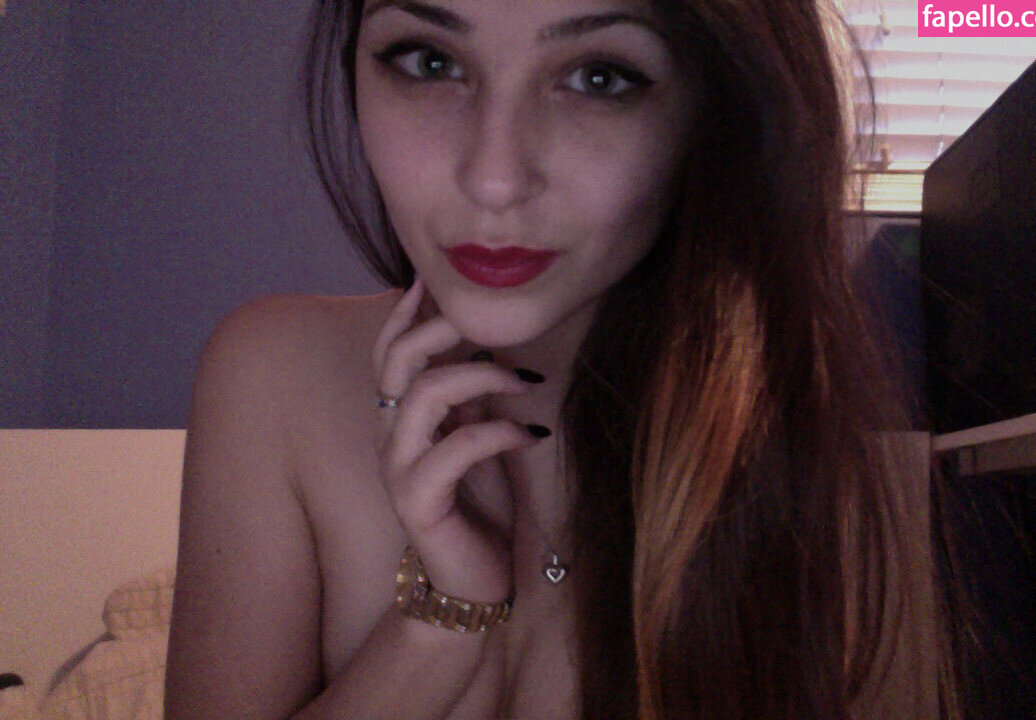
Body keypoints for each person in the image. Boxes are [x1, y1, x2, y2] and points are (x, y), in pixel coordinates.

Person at [164, 0, 958, 718]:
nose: (494, 178)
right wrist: (440, 623)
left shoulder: (763, 432)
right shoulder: (272, 376)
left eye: (598, 77)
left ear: (709, 112)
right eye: (429, 61)